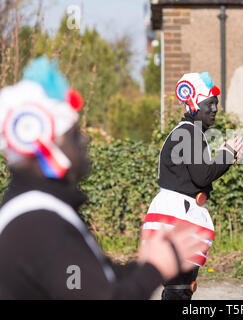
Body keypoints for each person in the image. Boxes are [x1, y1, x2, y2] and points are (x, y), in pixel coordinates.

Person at [0, 57, 208, 299]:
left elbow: (92, 278)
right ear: (43, 142)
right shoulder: (40, 222)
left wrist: (150, 263)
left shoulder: (39, 212)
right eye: (74, 134)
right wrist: (153, 270)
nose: (84, 140)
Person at [142, 72, 243, 300]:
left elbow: (201, 174)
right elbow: (202, 176)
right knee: (179, 287)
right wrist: (227, 154)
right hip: (178, 214)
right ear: (194, 105)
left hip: (179, 211)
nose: (215, 109)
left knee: (181, 286)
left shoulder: (190, 132)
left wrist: (225, 156)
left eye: (216, 104)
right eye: (209, 104)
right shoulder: (188, 132)